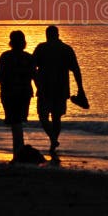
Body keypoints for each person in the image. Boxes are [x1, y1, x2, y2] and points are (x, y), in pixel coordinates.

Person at [33, 25, 85, 156]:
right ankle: (53, 142)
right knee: (56, 118)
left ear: (47, 35)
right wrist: (80, 89)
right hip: (61, 90)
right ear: (58, 34)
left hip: (45, 89)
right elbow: (76, 70)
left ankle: (53, 139)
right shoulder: (66, 49)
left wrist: (36, 83)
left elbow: (32, 68)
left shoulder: (41, 48)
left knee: (43, 116)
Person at [0, 30, 34, 155]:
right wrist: (40, 90)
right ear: (23, 42)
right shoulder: (28, 57)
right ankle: (19, 150)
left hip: (9, 93)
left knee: (15, 121)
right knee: (18, 121)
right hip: (23, 93)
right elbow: (35, 75)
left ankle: (18, 151)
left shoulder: (6, 56)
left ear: (11, 42)